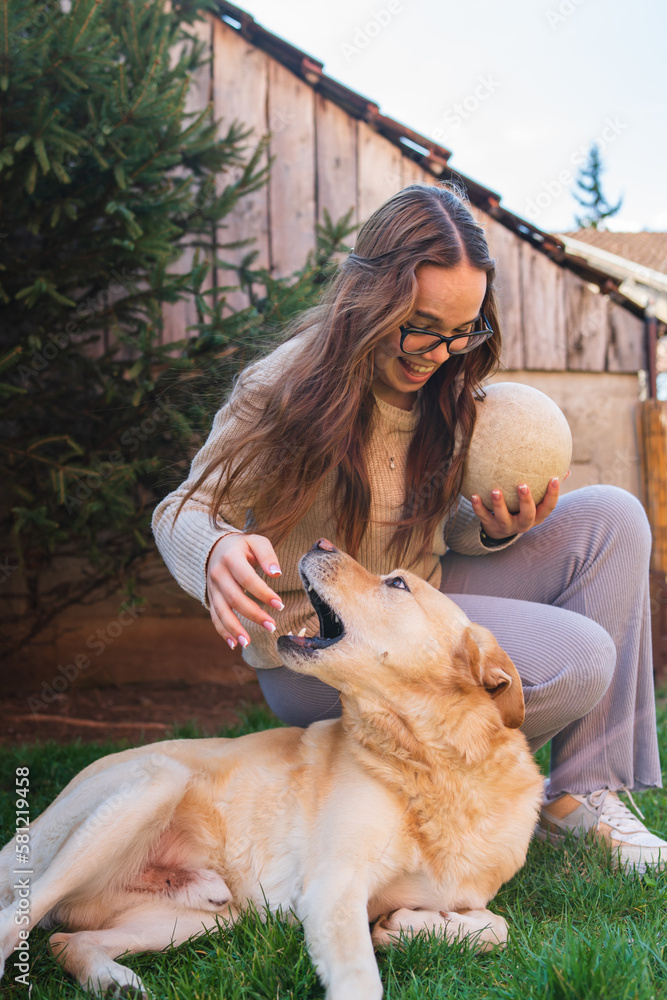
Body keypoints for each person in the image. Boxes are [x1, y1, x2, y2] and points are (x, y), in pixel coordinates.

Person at [152, 183, 665, 872]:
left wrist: (488, 527)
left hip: (416, 598)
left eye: (462, 330)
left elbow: (431, 530)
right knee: (581, 659)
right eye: (421, 324)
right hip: (325, 646)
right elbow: (184, 506)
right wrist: (213, 549)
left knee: (613, 517)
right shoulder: (284, 387)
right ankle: (416, 789)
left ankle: (582, 794)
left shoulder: (444, 382)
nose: (438, 351)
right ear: (367, 297)